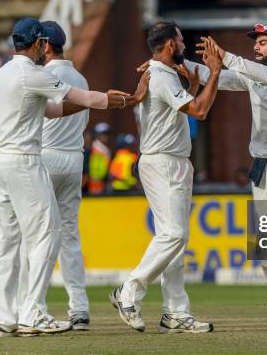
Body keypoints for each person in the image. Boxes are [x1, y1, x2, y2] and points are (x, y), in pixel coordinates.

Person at [0, 17, 149, 338]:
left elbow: (52, 111)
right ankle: (32, 313)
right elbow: (90, 100)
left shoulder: (3, 72)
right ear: (39, 44)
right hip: (23, 161)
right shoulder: (34, 74)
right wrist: (131, 99)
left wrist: (83, 102)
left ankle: (5, 318)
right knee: (49, 232)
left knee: (7, 241)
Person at [189, 24, 267, 331]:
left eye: (263, 42)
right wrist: (174, 61)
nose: (257, 47)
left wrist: (226, 55)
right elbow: (209, 76)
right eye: (256, 42)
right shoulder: (252, 77)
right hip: (262, 168)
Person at [110, 21, 221, 334]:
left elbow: (185, 107)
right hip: (163, 164)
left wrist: (198, 84)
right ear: (171, 44)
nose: (184, 44)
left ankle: (175, 312)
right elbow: (199, 112)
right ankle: (129, 291)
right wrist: (213, 73)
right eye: (182, 39)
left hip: (171, 162)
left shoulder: (164, 75)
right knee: (174, 235)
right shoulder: (159, 76)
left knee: (173, 240)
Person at [17, 20, 91, 331]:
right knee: (69, 237)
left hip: (44, 158)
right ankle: (80, 308)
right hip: (74, 160)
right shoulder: (81, 78)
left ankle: (31, 306)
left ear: (45, 46)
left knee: (34, 236)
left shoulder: (41, 76)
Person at [89, 122, 111, 194]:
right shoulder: (93, 148)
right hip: (94, 184)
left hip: (103, 183)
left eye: (107, 134)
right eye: (103, 134)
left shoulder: (106, 149)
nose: (105, 136)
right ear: (97, 135)